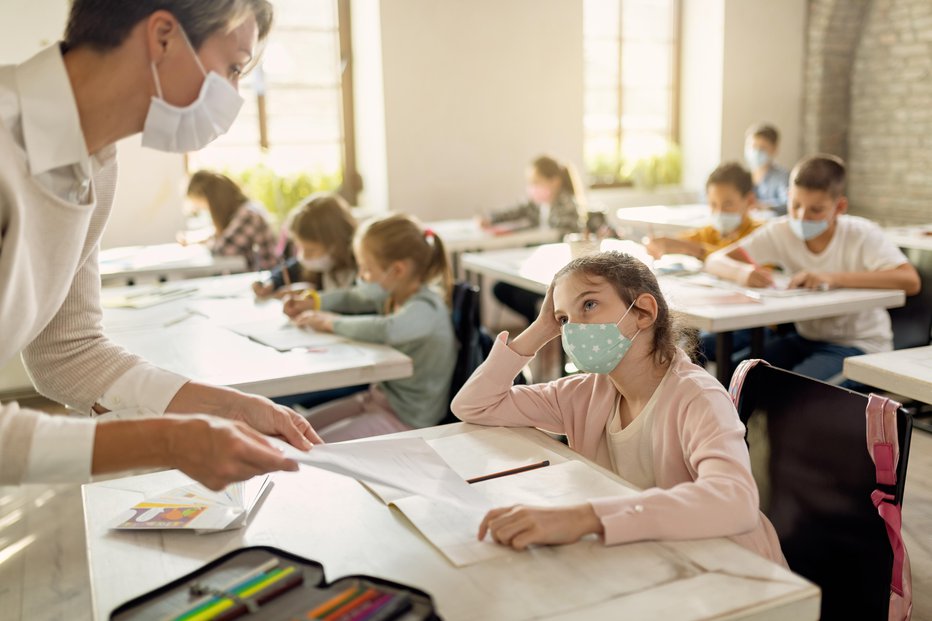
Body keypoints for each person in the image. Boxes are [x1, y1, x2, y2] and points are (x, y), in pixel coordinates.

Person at [0, 0, 321, 489]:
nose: (234, 95)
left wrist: (227, 407)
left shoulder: (96, 165)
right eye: (233, 68)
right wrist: (167, 440)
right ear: (164, 36)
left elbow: (69, 352)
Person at [450, 251, 785, 565]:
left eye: (590, 305)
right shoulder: (583, 394)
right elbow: (474, 405)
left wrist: (585, 517)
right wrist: (541, 329)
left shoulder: (697, 396)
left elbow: (735, 502)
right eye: (564, 319)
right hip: (655, 557)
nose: (574, 328)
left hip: (733, 568)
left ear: (643, 312)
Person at [706, 154, 920, 382]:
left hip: (858, 345)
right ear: (788, 196)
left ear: (840, 207)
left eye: (815, 210)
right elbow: (715, 260)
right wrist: (743, 272)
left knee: (794, 393)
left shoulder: (862, 234)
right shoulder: (781, 231)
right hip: (805, 339)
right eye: (795, 205)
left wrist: (830, 277)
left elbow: (910, 281)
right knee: (737, 377)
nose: (801, 216)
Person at [286, 214, 456, 442]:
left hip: (407, 418)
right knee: (292, 429)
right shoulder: (394, 294)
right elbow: (353, 298)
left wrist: (330, 322)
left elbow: (387, 329)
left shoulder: (427, 308)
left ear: (397, 270)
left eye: (366, 269)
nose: (361, 277)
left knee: (309, 446)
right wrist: (315, 302)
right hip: (378, 399)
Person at [484, 155, 585, 325]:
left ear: (554, 181)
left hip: (557, 273)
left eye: (537, 182)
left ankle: (542, 328)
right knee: (501, 288)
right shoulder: (539, 205)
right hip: (537, 266)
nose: (532, 187)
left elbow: (563, 243)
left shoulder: (567, 207)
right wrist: (491, 219)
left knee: (515, 292)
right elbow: (517, 210)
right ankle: (537, 326)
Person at [645, 162, 761, 261]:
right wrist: (661, 244)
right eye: (713, 204)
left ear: (749, 200)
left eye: (728, 204)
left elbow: (740, 259)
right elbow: (684, 240)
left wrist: (693, 249)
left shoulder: (761, 234)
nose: (719, 212)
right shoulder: (711, 232)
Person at [253, 193, 357, 298]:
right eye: (300, 248)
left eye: (311, 250)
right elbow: (288, 270)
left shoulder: (360, 270)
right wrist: (270, 283)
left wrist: (315, 297)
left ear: (336, 243)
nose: (304, 256)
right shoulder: (318, 267)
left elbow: (353, 301)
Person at [185, 170, 278, 271]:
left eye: (204, 206)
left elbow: (222, 250)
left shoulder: (248, 215)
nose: (206, 210)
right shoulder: (242, 211)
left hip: (266, 279)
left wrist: (207, 242)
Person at [744, 123, 790, 214]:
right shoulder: (743, 176)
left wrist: (764, 207)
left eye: (762, 148)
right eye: (753, 147)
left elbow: (788, 204)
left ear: (774, 149)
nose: (756, 152)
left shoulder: (782, 176)